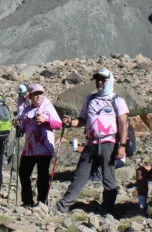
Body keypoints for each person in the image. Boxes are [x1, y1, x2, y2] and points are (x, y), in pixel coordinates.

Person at [55, 68, 129, 216]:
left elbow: (123, 124)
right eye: (97, 79)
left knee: (108, 177)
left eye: (103, 79)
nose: (100, 82)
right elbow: (82, 120)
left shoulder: (117, 100)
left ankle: (107, 209)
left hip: (109, 142)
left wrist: (122, 146)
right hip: (91, 143)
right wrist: (71, 123)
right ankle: (63, 205)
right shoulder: (90, 99)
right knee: (80, 175)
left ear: (110, 80)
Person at [18, 84, 62, 207]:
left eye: (40, 93)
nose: (38, 96)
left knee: (42, 175)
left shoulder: (48, 107)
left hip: (44, 148)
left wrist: (45, 120)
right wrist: (20, 125)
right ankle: (27, 201)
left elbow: (58, 124)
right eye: (35, 94)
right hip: (29, 148)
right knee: (23, 173)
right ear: (30, 96)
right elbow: (22, 127)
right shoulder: (26, 109)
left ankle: (42, 201)